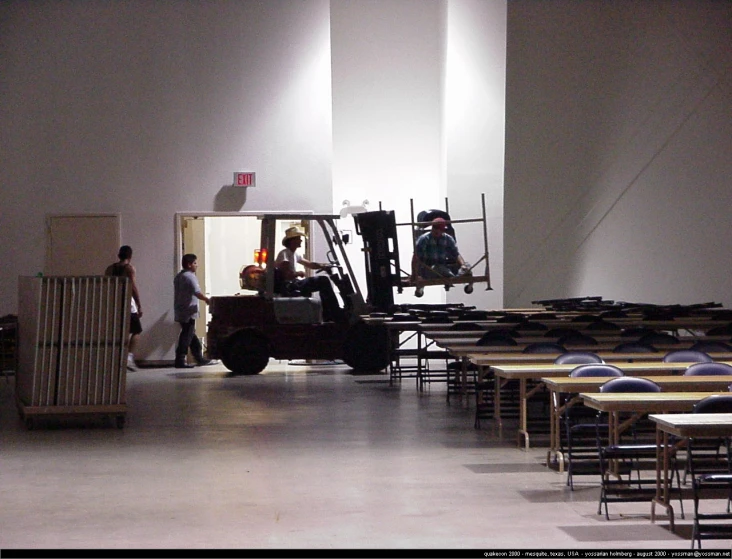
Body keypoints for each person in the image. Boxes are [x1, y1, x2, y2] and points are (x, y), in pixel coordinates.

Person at [275, 227, 345, 322]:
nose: (301, 240)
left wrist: (323, 266)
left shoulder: (294, 254)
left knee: (321, 281)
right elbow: (286, 274)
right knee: (323, 281)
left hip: (293, 284)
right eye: (298, 238)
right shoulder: (285, 254)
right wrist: (298, 273)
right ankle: (333, 313)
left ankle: (329, 313)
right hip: (290, 286)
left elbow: (310, 264)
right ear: (292, 241)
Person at [173, 253, 217, 368]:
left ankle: (199, 358)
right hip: (189, 311)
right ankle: (180, 359)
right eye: (195, 263)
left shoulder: (179, 277)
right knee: (187, 335)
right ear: (189, 265)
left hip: (180, 310)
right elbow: (197, 292)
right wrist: (207, 300)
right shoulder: (190, 276)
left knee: (190, 335)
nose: (197, 265)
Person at [105, 245, 143, 371]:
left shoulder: (110, 268)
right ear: (130, 256)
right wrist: (139, 304)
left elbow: (107, 285)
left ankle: (118, 357)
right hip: (127, 303)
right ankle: (128, 357)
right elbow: (133, 287)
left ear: (119, 255)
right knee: (136, 330)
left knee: (120, 331)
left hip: (115, 302)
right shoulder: (129, 268)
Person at [411, 217, 470, 282]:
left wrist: (463, 265)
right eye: (434, 228)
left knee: (467, 266)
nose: (436, 230)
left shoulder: (448, 239)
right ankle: (452, 276)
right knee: (438, 268)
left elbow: (456, 254)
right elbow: (415, 258)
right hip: (428, 269)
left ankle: (458, 277)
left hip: (444, 267)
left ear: (442, 230)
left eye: (438, 229)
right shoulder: (424, 239)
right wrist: (414, 274)